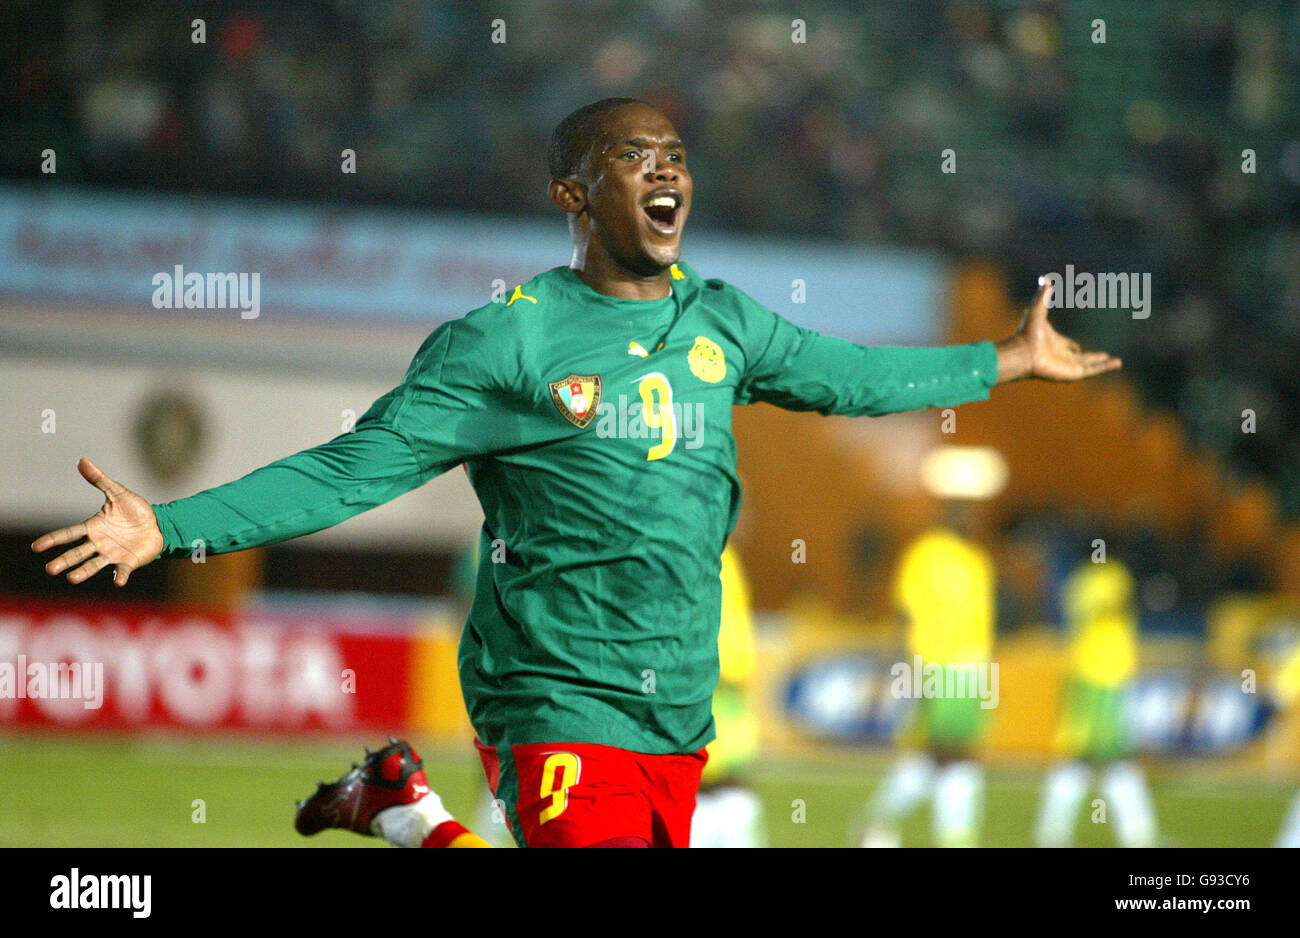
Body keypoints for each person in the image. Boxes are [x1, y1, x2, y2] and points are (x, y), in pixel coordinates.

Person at [33, 97, 1121, 848]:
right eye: (635, 156)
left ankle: (403, 806)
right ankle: (404, 806)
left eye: (677, 156)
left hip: (673, 711)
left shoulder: (719, 321)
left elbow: (849, 375)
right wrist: (171, 526)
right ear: (570, 193)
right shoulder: (507, 344)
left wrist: (1006, 360)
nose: (667, 171)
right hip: (555, 691)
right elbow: (355, 468)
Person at [858, 496, 996, 848]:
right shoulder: (927, 553)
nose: (966, 519)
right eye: (960, 512)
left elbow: (982, 622)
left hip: (970, 667)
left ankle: (875, 821)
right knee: (955, 754)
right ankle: (950, 837)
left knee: (939, 753)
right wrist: (894, 668)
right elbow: (904, 612)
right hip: (938, 664)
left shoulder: (975, 559)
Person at [1034, 557, 1158, 848]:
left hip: (1101, 674)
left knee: (1090, 761)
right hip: (1099, 674)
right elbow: (1111, 609)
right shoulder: (1107, 577)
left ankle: (1052, 833)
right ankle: (1137, 836)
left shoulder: (1080, 579)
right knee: (1104, 760)